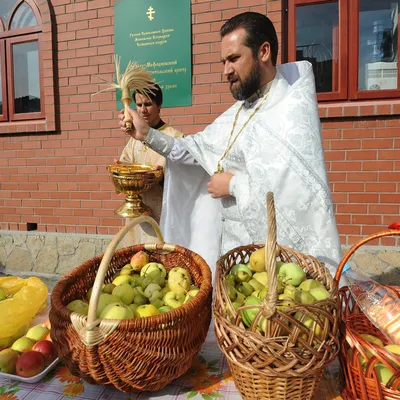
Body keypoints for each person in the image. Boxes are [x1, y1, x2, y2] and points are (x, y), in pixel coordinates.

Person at [118, 12, 342, 277]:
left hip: (271, 265)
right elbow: (193, 150)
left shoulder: (289, 111)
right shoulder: (238, 112)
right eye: (223, 61)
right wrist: (146, 133)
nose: (226, 71)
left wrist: (233, 185)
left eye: (234, 59)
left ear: (264, 52)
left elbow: (297, 192)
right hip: (230, 253)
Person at [118, 84, 182, 245]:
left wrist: (161, 179)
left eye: (148, 104)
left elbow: (186, 176)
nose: (143, 110)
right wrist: (120, 170)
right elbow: (126, 162)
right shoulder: (134, 138)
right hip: (137, 215)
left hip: (162, 214)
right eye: (139, 105)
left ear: (159, 105)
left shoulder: (174, 137)